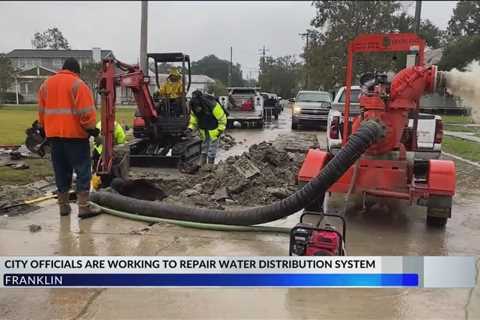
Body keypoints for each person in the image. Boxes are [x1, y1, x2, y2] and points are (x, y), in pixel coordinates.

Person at [37, 57, 101, 219]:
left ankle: (63, 207)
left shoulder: (46, 85)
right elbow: (86, 113)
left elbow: (42, 113)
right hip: (75, 137)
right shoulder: (78, 85)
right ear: (76, 71)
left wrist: (45, 129)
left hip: (54, 137)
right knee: (82, 171)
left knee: (61, 170)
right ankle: (84, 207)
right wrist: (92, 130)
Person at [187, 90, 227, 168]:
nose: (197, 109)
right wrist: (190, 128)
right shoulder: (193, 106)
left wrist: (220, 130)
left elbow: (222, 118)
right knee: (205, 144)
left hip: (214, 127)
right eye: (196, 108)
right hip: (203, 126)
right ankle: (202, 163)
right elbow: (193, 119)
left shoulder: (212, 105)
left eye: (198, 107)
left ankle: (210, 164)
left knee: (212, 146)